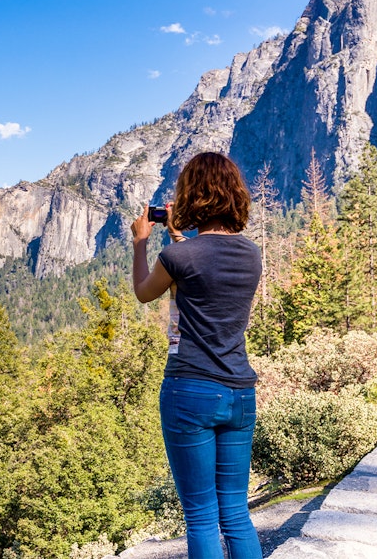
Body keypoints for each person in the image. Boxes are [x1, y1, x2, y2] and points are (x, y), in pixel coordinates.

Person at [131, 151, 262, 559]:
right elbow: (205, 266)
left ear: (193, 195)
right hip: (240, 393)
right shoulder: (251, 253)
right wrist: (176, 239)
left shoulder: (178, 256)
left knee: (202, 517)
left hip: (190, 390)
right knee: (236, 513)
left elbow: (144, 292)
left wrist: (140, 243)